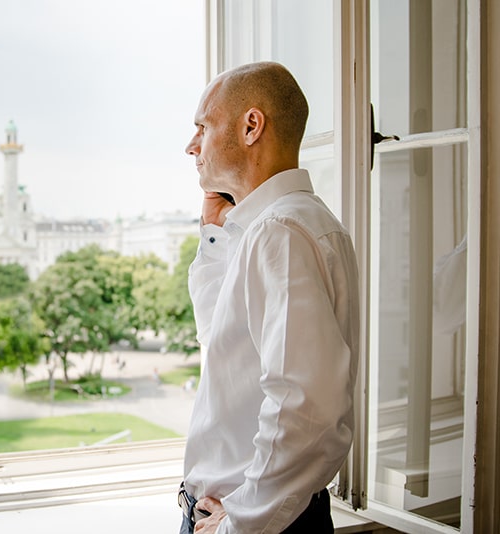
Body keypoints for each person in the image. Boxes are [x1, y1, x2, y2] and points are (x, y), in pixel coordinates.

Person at [178, 62, 360, 533]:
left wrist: (238, 525)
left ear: (251, 126)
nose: (191, 146)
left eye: (203, 126)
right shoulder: (278, 226)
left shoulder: (280, 232)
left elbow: (307, 410)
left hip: (253, 523)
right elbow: (218, 338)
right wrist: (216, 235)